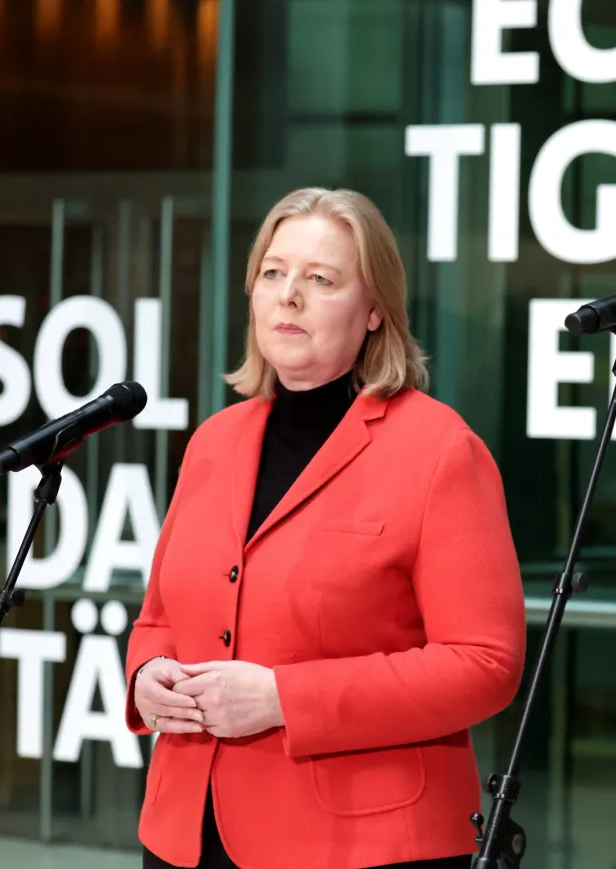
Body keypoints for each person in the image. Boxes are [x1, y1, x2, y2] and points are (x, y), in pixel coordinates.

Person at [125, 187, 527, 869]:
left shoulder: (438, 450)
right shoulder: (214, 442)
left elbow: (484, 664)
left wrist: (285, 698)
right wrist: (147, 675)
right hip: (188, 831)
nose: (288, 296)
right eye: (274, 273)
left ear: (375, 311)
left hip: (362, 845)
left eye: (321, 279)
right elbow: (160, 617)